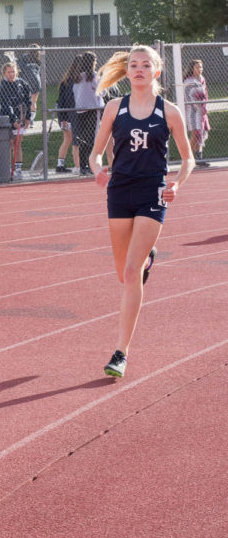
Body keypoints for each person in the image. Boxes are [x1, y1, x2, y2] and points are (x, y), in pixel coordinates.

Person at [89, 45, 194, 379]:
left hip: (152, 192)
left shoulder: (169, 111)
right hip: (119, 191)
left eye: (145, 65)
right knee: (123, 272)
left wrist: (177, 183)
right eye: (133, 65)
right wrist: (98, 168)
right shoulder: (113, 108)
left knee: (132, 274)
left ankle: (120, 352)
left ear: (156, 72)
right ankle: (148, 258)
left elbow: (188, 157)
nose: (138, 69)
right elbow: (95, 154)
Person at [73, 51, 104, 176]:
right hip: (92, 110)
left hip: (80, 110)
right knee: (91, 139)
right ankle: (90, 166)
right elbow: (103, 92)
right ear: (92, 63)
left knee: (83, 139)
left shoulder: (77, 77)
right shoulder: (94, 76)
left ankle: (83, 166)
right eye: (95, 62)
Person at [0, 62, 31, 179]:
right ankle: (6, 169)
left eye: (13, 72)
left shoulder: (22, 84)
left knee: (18, 143)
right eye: (8, 72)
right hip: (8, 119)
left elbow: (27, 101)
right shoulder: (3, 86)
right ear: (4, 73)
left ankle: (18, 169)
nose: (11, 74)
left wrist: (27, 117)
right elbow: (7, 105)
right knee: (9, 144)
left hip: (20, 117)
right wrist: (13, 121)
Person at [54, 56, 80, 174]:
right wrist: (63, 118)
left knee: (71, 139)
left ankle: (61, 164)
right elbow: (63, 101)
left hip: (75, 115)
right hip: (67, 115)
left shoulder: (80, 80)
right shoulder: (68, 81)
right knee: (69, 138)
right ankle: (64, 165)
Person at [183, 59, 211, 167]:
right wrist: (199, 107)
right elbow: (189, 97)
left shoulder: (201, 79)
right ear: (192, 68)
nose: (200, 69)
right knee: (195, 135)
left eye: (201, 67)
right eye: (197, 67)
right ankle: (187, 158)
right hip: (193, 112)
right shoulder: (188, 81)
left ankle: (198, 158)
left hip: (202, 112)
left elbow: (205, 94)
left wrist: (204, 107)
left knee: (202, 134)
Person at [18, 45, 41, 128]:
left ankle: (28, 119)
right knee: (33, 102)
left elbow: (19, 68)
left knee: (27, 102)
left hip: (28, 82)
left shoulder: (25, 57)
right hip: (35, 81)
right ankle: (30, 120)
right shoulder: (37, 59)